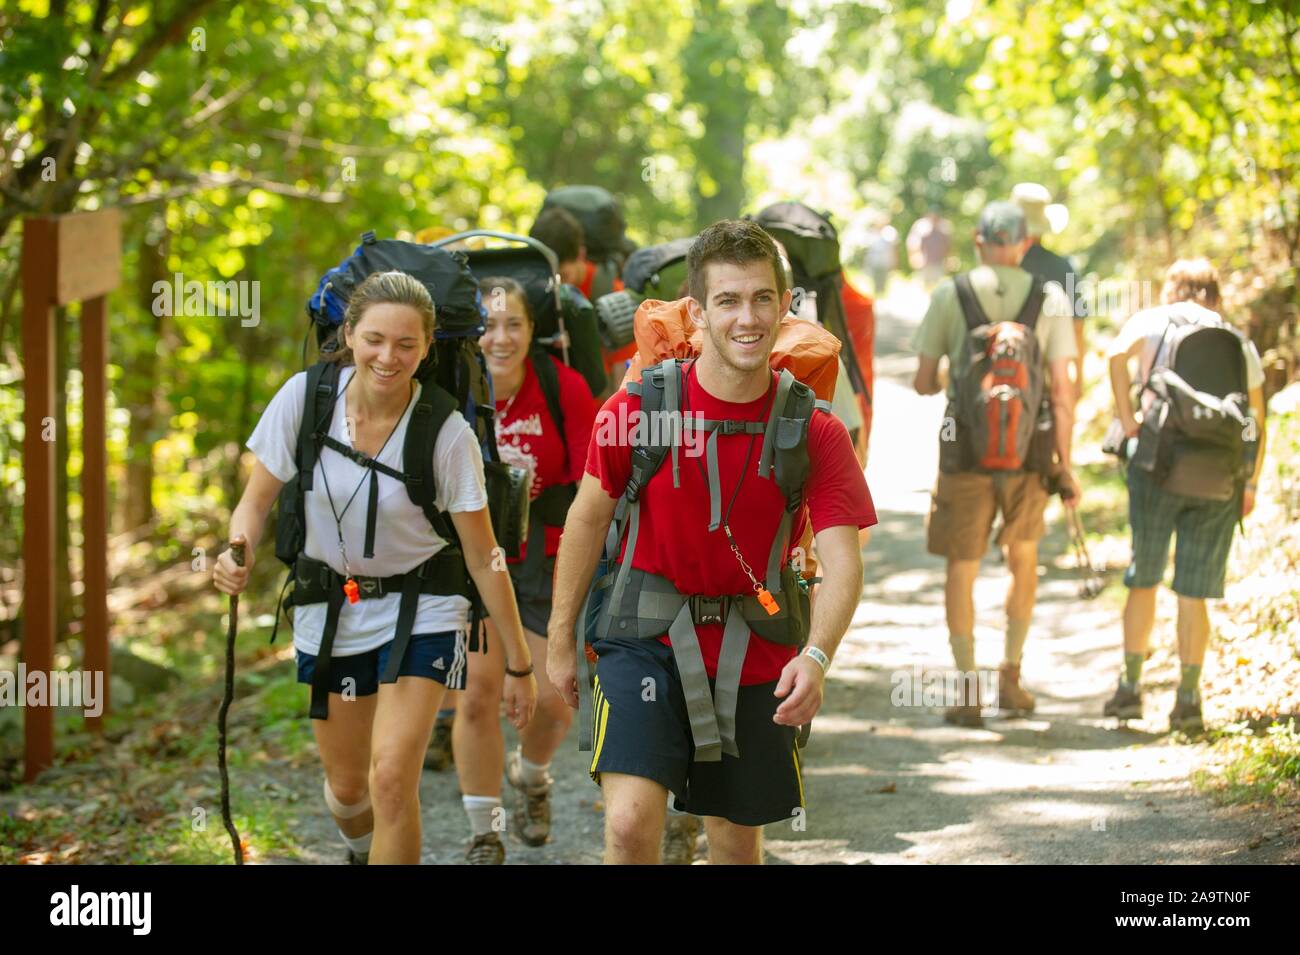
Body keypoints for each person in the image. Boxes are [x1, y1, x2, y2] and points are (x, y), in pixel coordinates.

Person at [546, 219, 877, 864]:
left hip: (759, 645)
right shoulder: (636, 412)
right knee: (630, 825)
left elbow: (842, 559)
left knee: (733, 840)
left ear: (785, 305)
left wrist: (817, 656)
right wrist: (560, 640)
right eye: (727, 300)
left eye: (761, 298)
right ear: (697, 311)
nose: (746, 318)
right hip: (641, 635)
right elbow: (586, 520)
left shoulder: (815, 429)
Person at [212, 271, 537, 865]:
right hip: (331, 604)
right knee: (348, 789)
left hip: (425, 605)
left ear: (427, 346)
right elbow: (255, 502)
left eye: (407, 345)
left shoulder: (446, 432)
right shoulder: (305, 399)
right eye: (375, 340)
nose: (389, 357)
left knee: (391, 779)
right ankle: (362, 852)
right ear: (349, 336)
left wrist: (518, 663)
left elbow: (484, 555)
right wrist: (237, 549)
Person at [440, 276, 597, 862]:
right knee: (478, 695)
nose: (500, 338)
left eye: (514, 325)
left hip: (547, 557)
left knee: (554, 698)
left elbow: (593, 483)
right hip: (474, 559)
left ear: (534, 331)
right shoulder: (448, 391)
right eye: (488, 325)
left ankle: (531, 775)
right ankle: (486, 832)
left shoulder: (564, 387)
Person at [912, 201, 1078, 726]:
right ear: (1025, 245)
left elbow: (921, 381)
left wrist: (963, 385)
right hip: (1029, 455)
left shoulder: (949, 293)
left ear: (979, 242)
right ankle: (1011, 676)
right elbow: (1063, 392)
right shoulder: (1049, 299)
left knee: (962, 567)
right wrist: (1063, 465)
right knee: (1022, 557)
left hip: (963, 453)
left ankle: (967, 690)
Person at [1102, 259, 1267, 731]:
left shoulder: (1151, 319)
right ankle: (1189, 700)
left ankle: (1130, 690)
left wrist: (1130, 422)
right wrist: (1249, 478)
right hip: (1218, 476)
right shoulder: (1236, 340)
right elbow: (1255, 416)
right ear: (1214, 295)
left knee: (1144, 576)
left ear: (1171, 289)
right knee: (1195, 591)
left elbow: (1114, 357)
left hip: (1156, 467)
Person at [1012, 183, 1087, 405]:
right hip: (1048, 372)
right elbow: (1078, 325)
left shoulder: (1005, 265)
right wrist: (1078, 377)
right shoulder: (1063, 267)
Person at [529, 207, 590, 291]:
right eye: (546, 278)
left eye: (562, 277)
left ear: (581, 254)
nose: (555, 287)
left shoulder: (607, 288)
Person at [907, 207, 953, 290]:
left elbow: (948, 245)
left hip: (939, 261)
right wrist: (914, 257)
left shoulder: (944, 227)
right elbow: (912, 243)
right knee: (925, 284)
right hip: (925, 261)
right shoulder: (921, 226)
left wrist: (948, 259)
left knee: (938, 284)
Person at [864, 218, 899, 298]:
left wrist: (895, 261)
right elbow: (868, 250)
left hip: (885, 262)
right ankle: (876, 297)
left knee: (884, 281)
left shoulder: (890, 232)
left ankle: (882, 297)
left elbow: (894, 248)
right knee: (875, 281)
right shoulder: (872, 232)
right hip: (874, 262)